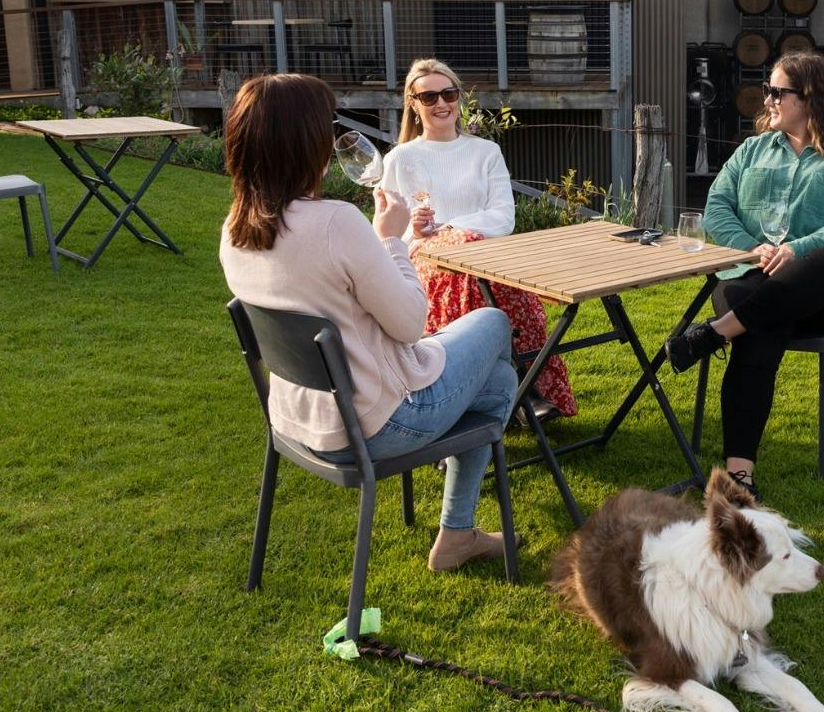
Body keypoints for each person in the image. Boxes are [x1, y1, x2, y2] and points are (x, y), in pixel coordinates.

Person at [219, 73, 518, 572]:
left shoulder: (234, 228)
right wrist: (392, 240)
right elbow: (409, 323)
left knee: (499, 379)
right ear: (304, 142)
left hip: (295, 421)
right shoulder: (336, 222)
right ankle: (457, 530)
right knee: (492, 322)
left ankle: (458, 534)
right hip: (380, 423)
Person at [664, 52, 824, 502]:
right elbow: (717, 207)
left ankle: (714, 334)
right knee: (761, 321)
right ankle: (740, 477)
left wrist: (795, 250)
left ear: (810, 97)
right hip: (752, 279)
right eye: (769, 89)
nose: (769, 99)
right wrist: (751, 246)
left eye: (778, 91)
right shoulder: (751, 151)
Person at [382, 58, 577, 421]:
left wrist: (451, 228)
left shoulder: (485, 152)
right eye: (429, 97)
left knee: (482, 269)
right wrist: (418, 228)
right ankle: (524, 387)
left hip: (485, 252)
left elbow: (504, 217)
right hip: (428, 258)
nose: (441, 104)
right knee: (477, 275)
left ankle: (485, 395)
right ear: (413, 103)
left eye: (448, 93)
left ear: (458, 97)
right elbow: (389, 230)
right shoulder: (400, 160)